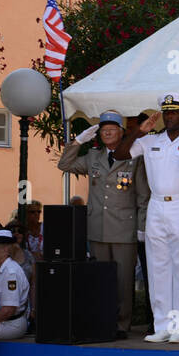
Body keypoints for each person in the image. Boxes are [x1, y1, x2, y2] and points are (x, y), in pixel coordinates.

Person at [115, 94, 179, 344]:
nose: (169, 116)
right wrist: (138, 131)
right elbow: (120, 154)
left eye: (174, 112)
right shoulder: (150, 141)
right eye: (166, 112)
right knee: (158, 268)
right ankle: (162, 325)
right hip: (156, 205)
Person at [59, 110, 151, 339]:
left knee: (122, 281)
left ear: (121, 133)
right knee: (100, 280)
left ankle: (121, 324)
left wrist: (142, 227)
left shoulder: (134, 156)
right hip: (98, 227)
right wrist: (78, 141)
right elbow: (64, 164)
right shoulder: (93, 156)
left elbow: (142, 196)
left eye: (112, 129)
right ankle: (103, 320)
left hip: (124, 228)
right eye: (103, 130)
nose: (107, 132)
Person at [0, 229, 30, 340]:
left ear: (6, 249)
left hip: (11, 325)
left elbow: (8, 310)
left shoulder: (11, 272)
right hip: (1, 322)